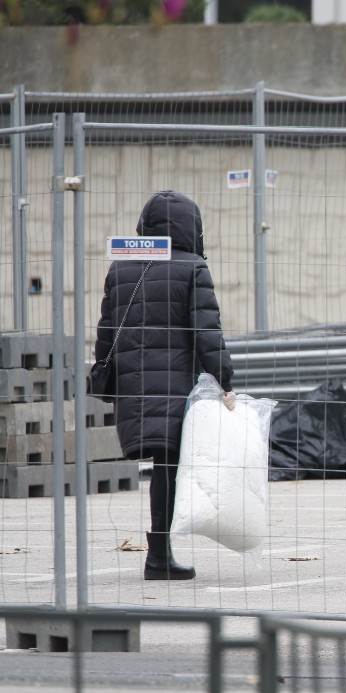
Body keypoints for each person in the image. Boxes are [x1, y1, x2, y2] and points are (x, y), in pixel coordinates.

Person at [95, 191, 236, 580]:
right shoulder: (191, 267)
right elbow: (207, 331)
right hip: (173, 385)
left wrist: (106, 380)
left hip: (133, 384)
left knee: (163, 466)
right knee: (168, 465)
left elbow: (106, 330)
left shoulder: (120, 268)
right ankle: (158, 556)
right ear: (192, 227)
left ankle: (160, 554)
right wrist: (225, 379)